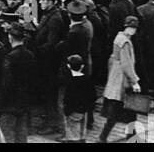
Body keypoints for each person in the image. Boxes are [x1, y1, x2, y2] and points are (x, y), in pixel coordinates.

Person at [98, 15, 141, 143]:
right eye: (131, 27)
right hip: (121, 79)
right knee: (118, 109)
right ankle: (103, 137)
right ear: (126, 27)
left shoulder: (120, 38)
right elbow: (126, 63)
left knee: (128, 109)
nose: (133, 30)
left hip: (116, 77)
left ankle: (132, 136)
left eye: (134, 28)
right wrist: (134, 81)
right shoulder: (125, 42)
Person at [60, 54, 96, 143]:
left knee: (72, 135)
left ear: (68, 66)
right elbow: (93, 96)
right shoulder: (88, 79)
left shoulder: (71, 82)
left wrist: (67, 110)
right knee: (82, 133)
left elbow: (68, 98)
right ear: (82, 66)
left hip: (73, 111)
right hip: (84, 111)